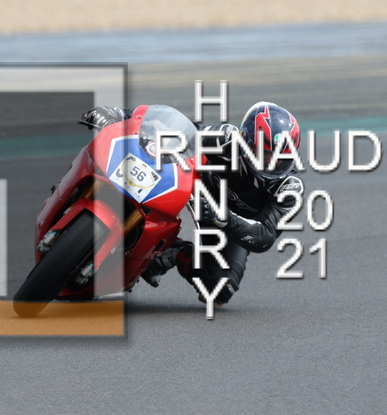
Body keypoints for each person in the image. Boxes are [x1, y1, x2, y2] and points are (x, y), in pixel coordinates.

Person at [79, 102, 304, 306]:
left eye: (281, 158)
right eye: (264, 154)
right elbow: (178, 131)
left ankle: (174, 252)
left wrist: (221, 217)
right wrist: (120, 115)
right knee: (145, 163)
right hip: (194, 185)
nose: (271, 163)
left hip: (229, 222)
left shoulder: (289, 188)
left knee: (220, 290)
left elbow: (264, 236)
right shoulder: (226, 138)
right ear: (245, 140)